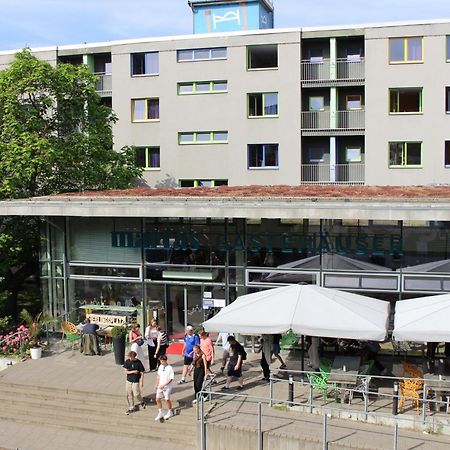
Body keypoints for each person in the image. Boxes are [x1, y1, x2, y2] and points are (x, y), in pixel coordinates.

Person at [123, 351, 146, 415]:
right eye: (129, 357)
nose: (130, 358)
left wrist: (142, 381)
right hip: (129, 380)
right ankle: (131, 407)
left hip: (136, 380)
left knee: (136, 394)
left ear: (134, 357)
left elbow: (142, 372)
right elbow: (125, 371)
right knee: (129, 394)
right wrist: (133, 372)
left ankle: (141, 401)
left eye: (131, 357)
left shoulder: (138, 362)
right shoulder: (127, 361)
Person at [154, 355, 175, 421]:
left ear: (165, 360)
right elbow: (158, 376)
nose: (161, 362)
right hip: (160, 386)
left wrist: (164, 385)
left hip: (167, 387)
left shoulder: (170, 368)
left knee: (167, 399)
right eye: (160, 361)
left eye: (162, 361)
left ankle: (170, 411)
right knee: (157, 399)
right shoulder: (160, 366)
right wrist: (157, 384)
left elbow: (171, 379)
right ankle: (160, 412)